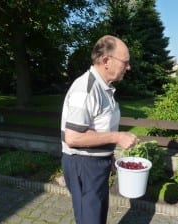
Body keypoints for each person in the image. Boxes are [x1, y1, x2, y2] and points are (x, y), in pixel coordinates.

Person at [61, 35, 137, 224]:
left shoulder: (104, 88)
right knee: (90, 219)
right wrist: (117, 136)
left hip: (95, 163)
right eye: (125, 62)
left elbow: (99, 127)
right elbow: (73, 137)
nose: (129, 68)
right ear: (106, 61)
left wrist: (108, 155)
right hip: (83, 165)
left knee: (97, 216)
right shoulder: (86, 89)